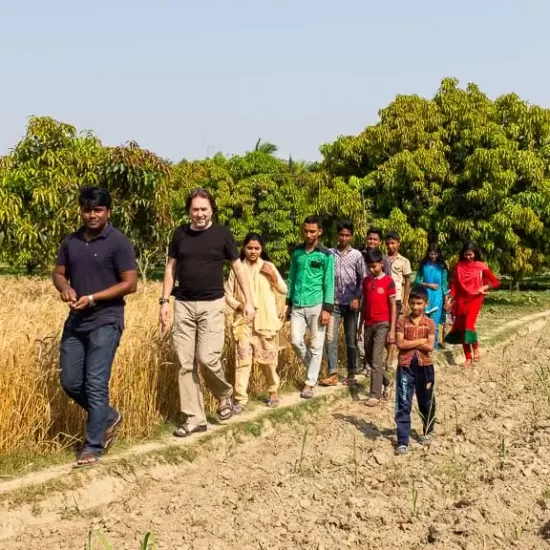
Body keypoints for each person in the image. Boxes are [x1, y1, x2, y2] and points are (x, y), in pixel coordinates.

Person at [53, 187, 138, 468]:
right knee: (70, 381)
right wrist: (65, 288)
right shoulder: (71, 241)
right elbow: (58, 272)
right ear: (81, 210)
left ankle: (92, 446)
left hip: (106, 319)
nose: (92, 215)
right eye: (88, 210)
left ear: (107, 212)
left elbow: (130, 283)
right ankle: (109, 416)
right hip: (76, 321)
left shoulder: (118, 242)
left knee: (95, 382)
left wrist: (92, 298)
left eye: (98, 210)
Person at [160, 188, 255, 437]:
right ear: (189, 211)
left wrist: (249, 301)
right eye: (195, 209)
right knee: (184, 363)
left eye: (203, 209)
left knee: (207, 358)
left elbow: (238, 268)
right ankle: (194, 418)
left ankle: (224, 395)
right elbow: (171, 269)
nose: (199, 214)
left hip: (212, 304)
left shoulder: (222, 234)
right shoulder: (179, 234)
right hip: (183, 305)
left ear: (211, 209)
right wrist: (164, 302)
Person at [225, 233, 287, 412]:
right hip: (243, 321)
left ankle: (273, 391)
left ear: (262, 249)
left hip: (265, 321)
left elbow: (283, 289)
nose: (253, 251)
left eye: (257, 248)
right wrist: (240, 305)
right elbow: (228, 294)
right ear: (243, 248)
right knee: (242, 360)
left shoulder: (268, 266)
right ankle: (240, 399)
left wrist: (272, 277)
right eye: (249, 248)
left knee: (267, 360)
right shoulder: (236, 268)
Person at [286, 215, 335, 399]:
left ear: (319, 232)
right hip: (298, 304)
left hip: (317, 304)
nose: (308, 234)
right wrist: (289, 303)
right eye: (306, 230)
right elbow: (291, 277)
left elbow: (329, 282)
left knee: (316, 344)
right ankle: (313, 367)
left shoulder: (326, 255)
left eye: (312, 231)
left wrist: (327, 309)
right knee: (295, 341)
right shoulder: (297, 252)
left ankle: (309, 383)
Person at [319, 221, 365, 387]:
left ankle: (352, 372)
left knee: (351, 339)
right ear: (337, 235)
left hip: (351, 304)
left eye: (347, 235)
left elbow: (362, 279)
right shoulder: (330, 254)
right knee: (330, 338)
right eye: (341, 235)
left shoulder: (357, 256)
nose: (344, 238)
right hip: (334, 304)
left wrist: (357, 298)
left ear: (351, 236)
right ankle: (333, 373)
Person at [394, 286, 436, 455]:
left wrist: (416, 342)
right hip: (405, 366)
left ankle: (428, 430)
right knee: (404, 401)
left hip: (425, 366)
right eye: (413, 303)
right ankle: (402, 440)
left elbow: (430, 346)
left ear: (426, 304)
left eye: (419, 303)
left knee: (426, 400)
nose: (416, 307)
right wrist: (420, 340)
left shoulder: (430, 323)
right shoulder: (402, 321)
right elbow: (400, 344)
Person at [444, 241, 500, 367]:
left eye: (470, 255)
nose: (468, 257)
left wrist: (484, 287)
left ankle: (476, 348)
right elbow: (455, 286)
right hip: (460, 299)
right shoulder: (458, 266)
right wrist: (450, 299)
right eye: (466, 255)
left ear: (475, 254)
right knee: (462, 328)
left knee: (469, 325)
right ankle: (467, 357)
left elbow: (495, 282)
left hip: (475, 298)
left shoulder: (481, 266)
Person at [357, 248, 396, 407]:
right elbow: (364, 304)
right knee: (370, 357)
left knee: (376, 357)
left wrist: (392, 329)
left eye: (374, 266)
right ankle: (387, 381)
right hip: (368, 323)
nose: (372, 270)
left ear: (381, 264)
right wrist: (360, 325)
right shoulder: (366, 282)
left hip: (383, 323)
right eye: (369, 267)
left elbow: (393, 306)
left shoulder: (388, 281)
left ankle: (375, 394)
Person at [414, 244, 449, 348]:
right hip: (424, 296)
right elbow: (417, 280)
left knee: (434, 323)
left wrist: (446, 300)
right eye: (431, 254)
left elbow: (444, 285)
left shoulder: (442, 267)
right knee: (422, 322)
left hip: (437, 298)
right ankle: (421, 345)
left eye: (435, 254)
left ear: (438, 254)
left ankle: (434, 346)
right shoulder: (423, 266)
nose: (433, 256)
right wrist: (428, 285)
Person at [385, 232, 412, 367]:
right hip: (383, 297)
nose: (390, 246)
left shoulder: (404, 261)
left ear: (398, 244)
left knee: (394, 327)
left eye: (393, 243)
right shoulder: (382, 259)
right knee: (383, 327)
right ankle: (389, 351)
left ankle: (390, 357)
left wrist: (405, 301)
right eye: (388, 243)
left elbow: (407, 281)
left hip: (397, 298)